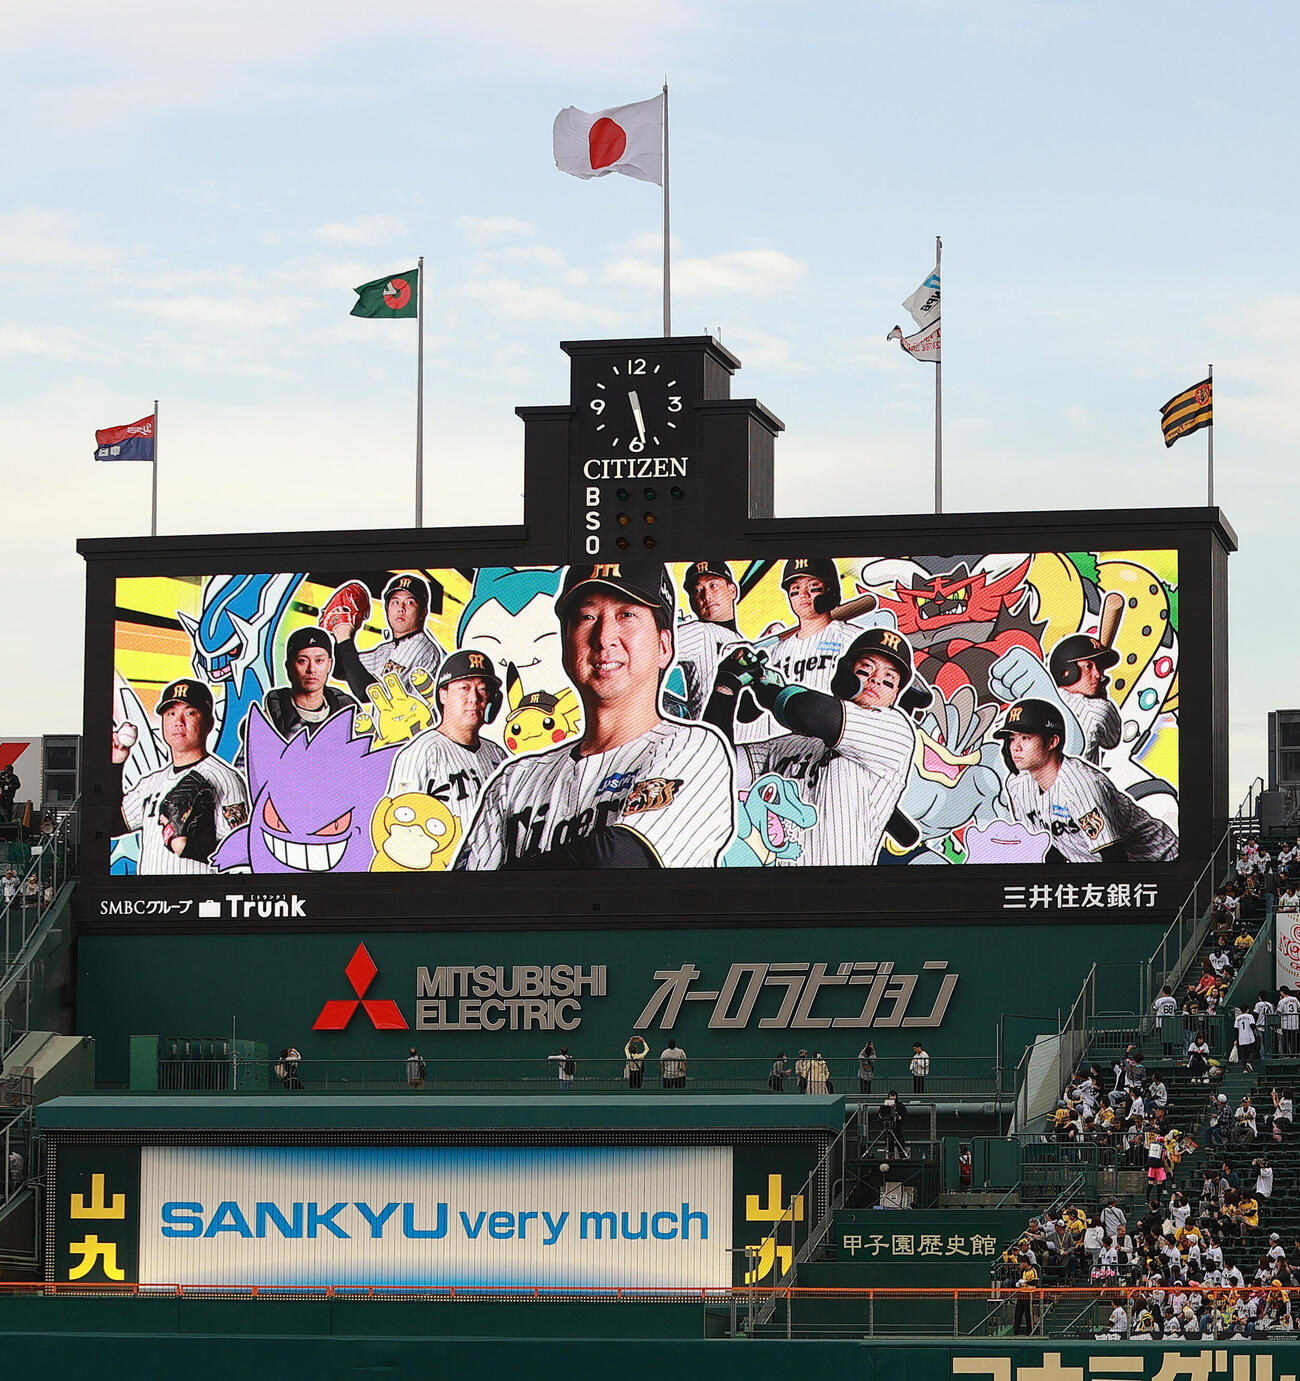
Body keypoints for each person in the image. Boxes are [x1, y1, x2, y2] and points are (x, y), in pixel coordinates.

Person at [456, 563, 735, 869]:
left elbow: (617, 861)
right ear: (565, 644)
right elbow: (464, 904)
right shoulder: (515, 781)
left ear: (663, 645)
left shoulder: (693, 748)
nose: (604, 638)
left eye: (626, 615)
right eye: (587, 617)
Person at [707, 628, 927, 866]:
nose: (875, 680)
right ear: (844, 673)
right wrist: (726, 687)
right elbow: (715, 765)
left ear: (895, 696)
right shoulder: (789, 745)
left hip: (836, 894)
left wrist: (770, 692)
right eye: (865, 669)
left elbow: (806, 710)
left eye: (888, 680)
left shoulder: (895, 732)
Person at [993, 699, 1177, 862]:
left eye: (1025, 738)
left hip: (1160, 862)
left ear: (1052, 742)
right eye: (1011, 739)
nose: (1015, 747)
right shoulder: (1018, 784)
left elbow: (1114, 857)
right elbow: (1049, 847)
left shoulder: (1081, 785)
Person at [112, 679, 249, 875]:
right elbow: (112, 824)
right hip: (153, 900)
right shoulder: (151, 783)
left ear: (209, 723)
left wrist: (190, 847)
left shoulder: (224, 778)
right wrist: (116, 765)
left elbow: (239, 851)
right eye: (171, 713)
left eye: (190, 712)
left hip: (200, 898)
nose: (178, 721)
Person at [387, 650, 508, 835]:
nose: (474, 698)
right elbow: (399, 826)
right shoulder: (421, 753)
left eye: (482, 688)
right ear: (443, 695)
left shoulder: (498, 756)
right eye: (464, 688)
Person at [323, 572, 443, 701]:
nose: (401, 609)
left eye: (409, 602)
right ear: (387, 610)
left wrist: (344, 637)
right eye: (395, 602)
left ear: (423, 612)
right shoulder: (387, 649)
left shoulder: (419, 646)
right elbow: (342, 671)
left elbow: (368, 694)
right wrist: (347, 630)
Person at [673, 560, 744, 722]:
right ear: (692, 602)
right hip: (712, 738)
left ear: (732, 590)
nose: (707, 596)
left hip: (755, 740)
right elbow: (648, 650)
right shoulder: (698, 631)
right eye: (698, 590)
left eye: (714, 585)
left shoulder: (742, 641)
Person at [262, 627, 357, 738]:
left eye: (319, 661)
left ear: (329, 665)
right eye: (302, 661)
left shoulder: (346, 709)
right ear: (289, 666)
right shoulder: (271, 717)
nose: (311, 669)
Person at [1047, 633, 1123, 764]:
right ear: (1066, 672)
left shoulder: (1044, 700)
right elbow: (1111, 741)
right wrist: (1102, 695)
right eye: (1088, 666)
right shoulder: (1097, 709)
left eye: (1098, 667)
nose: (1098, 675)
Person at [1013, 1255, 1039, 1334]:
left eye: (1021, 1263)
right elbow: (1021, 1281)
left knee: (1028, 1314)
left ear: (1025, 1263)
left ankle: (1030, 1332)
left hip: (1029, 1294)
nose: (1020, 1265)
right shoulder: (1023, 1271)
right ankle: (1016, 1331)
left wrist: (1026, 1282)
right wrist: (1019, 1284)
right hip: (1021, 1293)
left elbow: (1035, 1282)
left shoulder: (1033, 1270)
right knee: (1018, 1313)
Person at [877, 1091, 908, 1158]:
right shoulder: (885, 1106)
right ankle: (891, 1156)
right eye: (891, 1096)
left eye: (894, 1096)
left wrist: (899, 1117)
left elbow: (904, 1114)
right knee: (889, 1143)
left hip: (897, 1127)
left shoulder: (900, 1105)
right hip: (888, 1127)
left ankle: (902, 1156)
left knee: (900, 1142)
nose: (892, 1097)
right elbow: (881, 1114)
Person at [1153, 985, 1180, 1057]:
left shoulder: (1159, 1000)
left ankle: (1166, 1055)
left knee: (1163, 1039)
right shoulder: (1173, 1000)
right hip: (1170, 1021)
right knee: (1169, 1039)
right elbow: (1175, 1008)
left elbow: (1154, 1008)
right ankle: (1169, 1054)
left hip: (1161, 1022)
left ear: (1163, 991)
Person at [1232, 1006, 1258, 1073]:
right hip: (1249, 1037)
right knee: (1252, 1051)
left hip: (1241, 1038)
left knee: (1243, 1054)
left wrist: (1235, 1039)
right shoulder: (1250, 1016)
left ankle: (1245, 1069)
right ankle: (1249, 1063)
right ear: (1248, 1009)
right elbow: (1252, 1025)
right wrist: (1256, 1029)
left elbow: (1235, 1029)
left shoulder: (1237, 1018)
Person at [1278, 987, 1300, 1057]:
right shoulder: (1295, 999)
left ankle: (1287, 1055)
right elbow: (1299, 1008)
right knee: (1293, 1041)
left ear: (1282, 992)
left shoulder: (1282, 1001)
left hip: (1285, 1024)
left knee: (1286, 1041)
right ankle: (1294, 1055)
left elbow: (1278, 1011)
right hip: (1294, 1023)